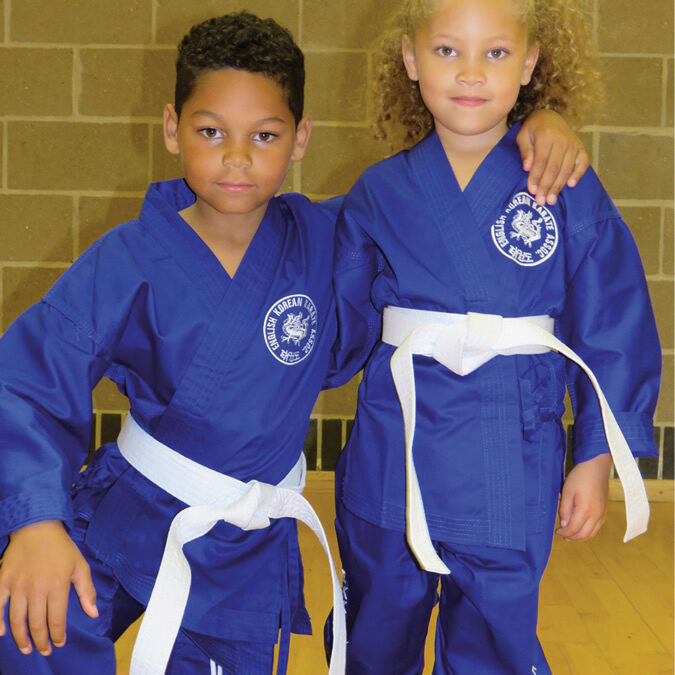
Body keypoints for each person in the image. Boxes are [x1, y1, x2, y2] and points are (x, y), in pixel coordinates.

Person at [0, 8, 591, 675]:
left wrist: (530, 131)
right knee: (27, 625)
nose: (235, 157)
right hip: (126, 510)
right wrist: (34, 522)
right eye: (209, 131)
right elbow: (26, 381)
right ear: (171, 128)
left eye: (264, 134)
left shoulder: (332, 239)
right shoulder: (129, 258)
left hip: (241, 555)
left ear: (300, 137)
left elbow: (440, 220)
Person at [328, 0, 661, 673]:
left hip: (511, 453)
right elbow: (340, 322)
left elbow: (610, 322)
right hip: (395, 449)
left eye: (496, 53)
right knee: (375, 630)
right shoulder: (377, 194)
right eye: (447, 51)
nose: (471, 74)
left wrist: (595, 456)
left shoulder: (562, 181)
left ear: (530, 62)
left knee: (495, 640)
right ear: (410, 58)